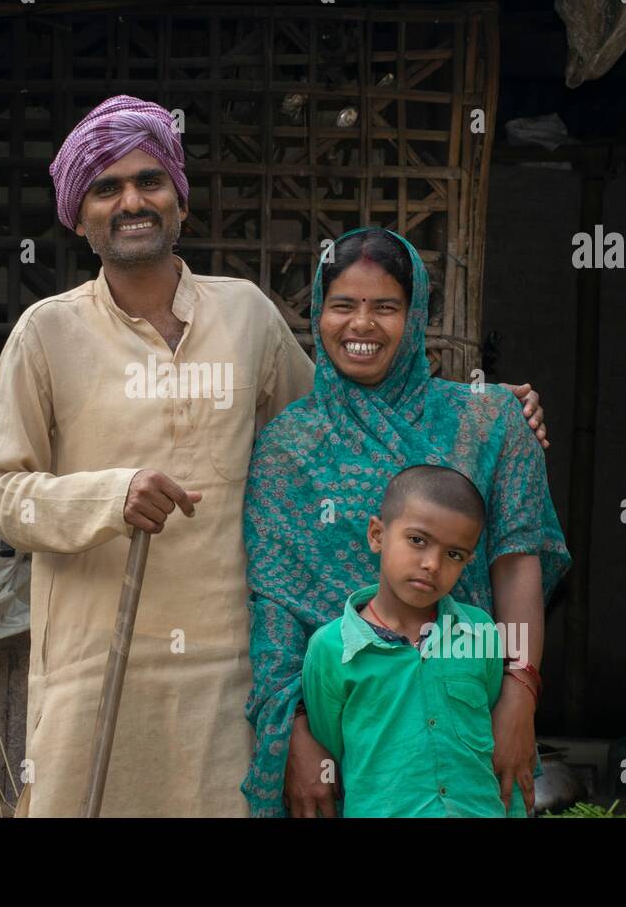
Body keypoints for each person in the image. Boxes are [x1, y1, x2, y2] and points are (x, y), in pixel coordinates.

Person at [0, 96, 551, 817]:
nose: (131, 201)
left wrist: (499, 419)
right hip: (97, 662)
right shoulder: (45, 334)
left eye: (150, 181)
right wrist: (105, 498)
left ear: (179, 200)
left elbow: (341, 430)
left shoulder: (245, 314)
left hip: (229, 672)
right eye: (106, 188)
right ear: (79, 215)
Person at [243, 227, 570, 818]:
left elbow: (518, 563)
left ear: (415, 314)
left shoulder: (489, 421)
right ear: (318, 312)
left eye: (385, 307)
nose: (361, 325)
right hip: (348, 724)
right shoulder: (287, 447)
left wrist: (521, 694)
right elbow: (276, 607)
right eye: (343, 305)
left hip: (466, 716)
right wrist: (295, 734)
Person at [301, 464, 528, 817]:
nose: (432, 564)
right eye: (417, 541)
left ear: (468, 561)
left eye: (454, 554)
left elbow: (490, 718)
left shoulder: (481, 632)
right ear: (377, 535)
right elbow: (331, 743)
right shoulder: (332, 649)